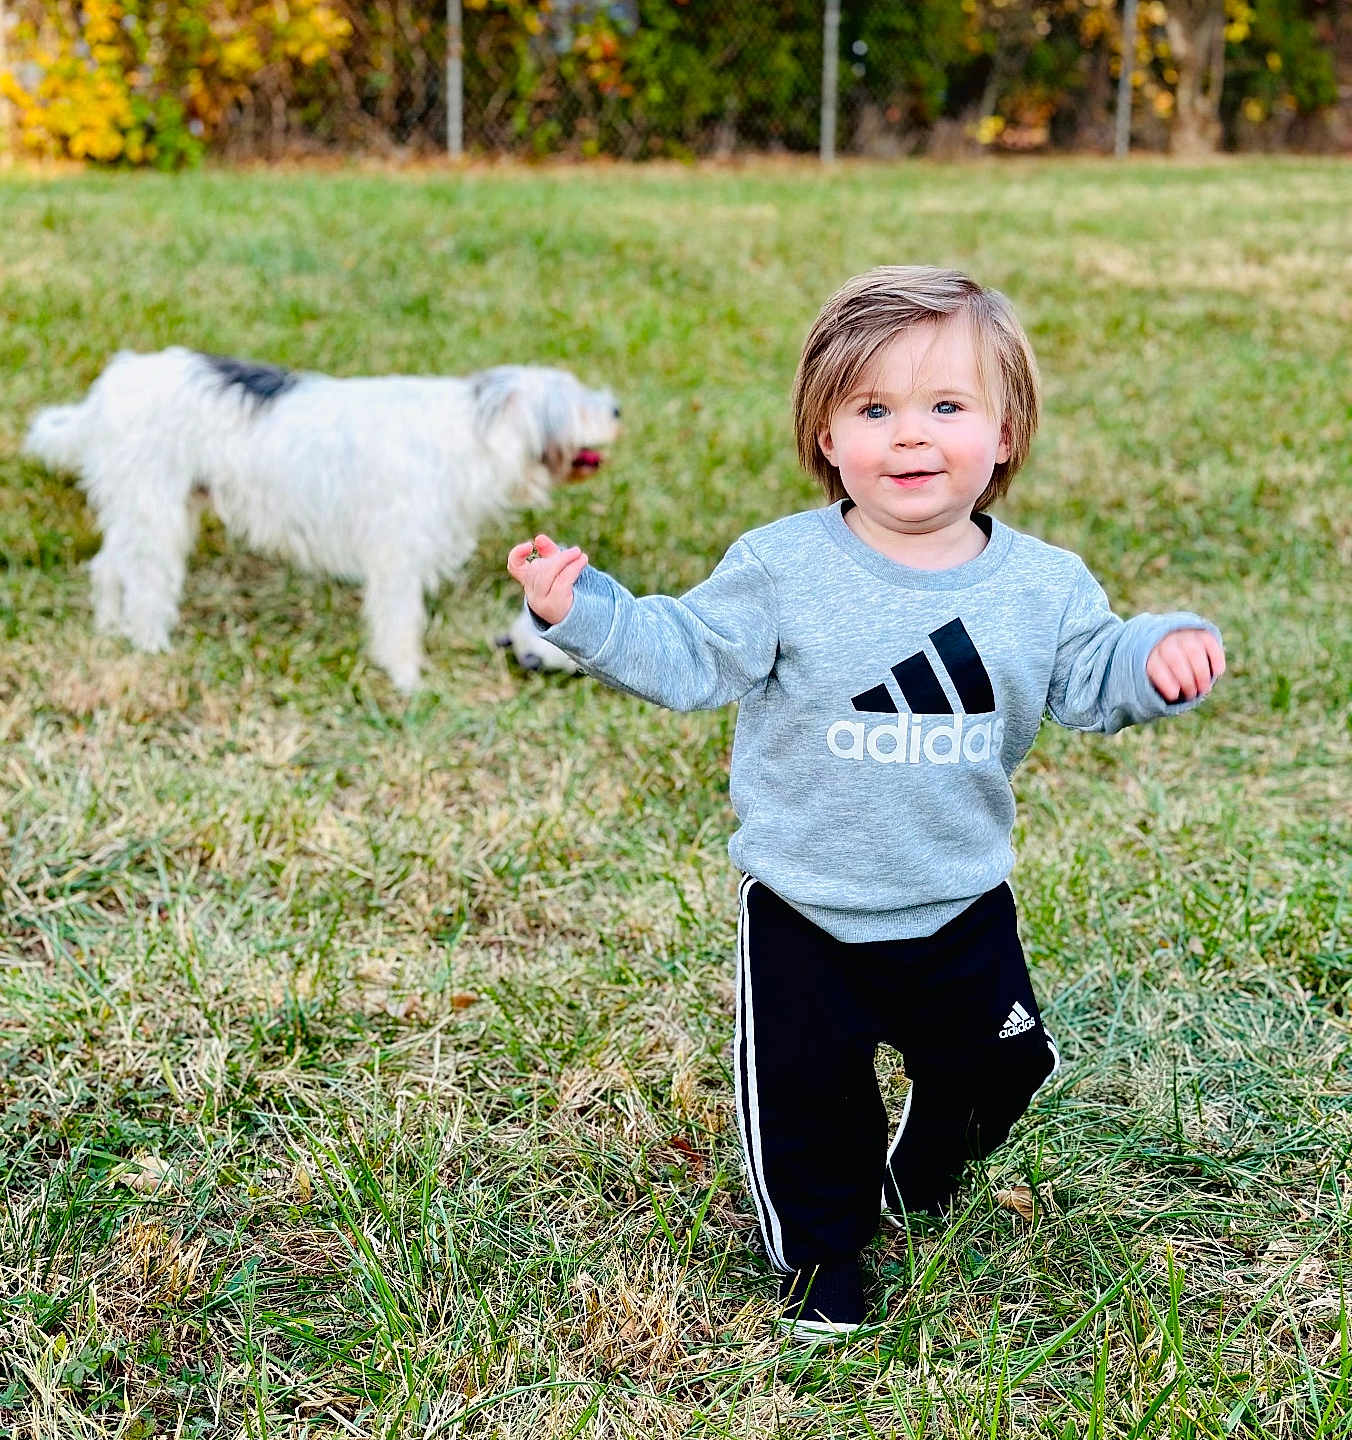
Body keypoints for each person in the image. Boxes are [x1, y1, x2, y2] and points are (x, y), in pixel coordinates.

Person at [506, 267, 1225, 1344]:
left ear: (1006, 431)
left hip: (958, 898)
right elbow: (692, 656)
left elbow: (1092, 671)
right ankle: (821, 1259)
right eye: (873, 410)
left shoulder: (1042, 585)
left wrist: (1155, 656)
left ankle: (921, 1168)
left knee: (1002, 1068)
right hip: (808, 905)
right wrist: (584, 610)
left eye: (947, 407)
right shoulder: (783, 566)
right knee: (810, 1106)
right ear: (827, 437)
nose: (911, 437)